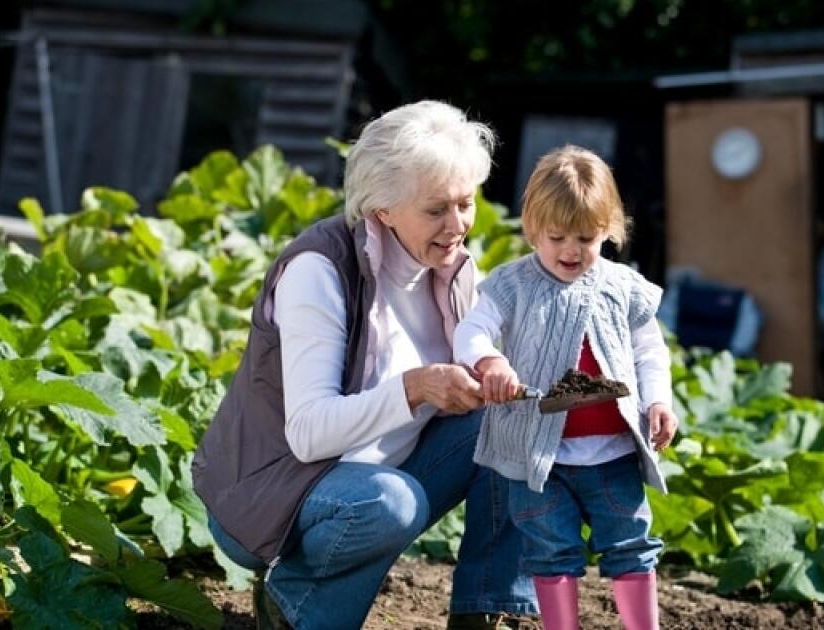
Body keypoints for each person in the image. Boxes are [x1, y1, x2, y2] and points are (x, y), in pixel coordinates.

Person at [192, 100, 538, 630]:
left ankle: (487, 611)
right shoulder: (320, 271)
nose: (458, 225)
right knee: (388, 504)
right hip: (274, 493)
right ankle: (293, 607)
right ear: (382, 210)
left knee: (511, 424)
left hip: (378, 475)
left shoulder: (452, 270)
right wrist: (417, 388)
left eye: (465, 204)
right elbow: (308, 435)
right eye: (436, 210)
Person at [453, 145, 679, 630]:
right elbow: (468, 332)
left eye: (587, 237)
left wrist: (659, 399)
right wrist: (489, 360)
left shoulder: (621, 285)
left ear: (609, 229)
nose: (571, 251)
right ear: (532, 228)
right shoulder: (511, 284)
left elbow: (649, 351)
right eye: (556, 237)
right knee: (550, 551)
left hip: (614, 454)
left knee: (632, 545)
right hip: (540, 460)